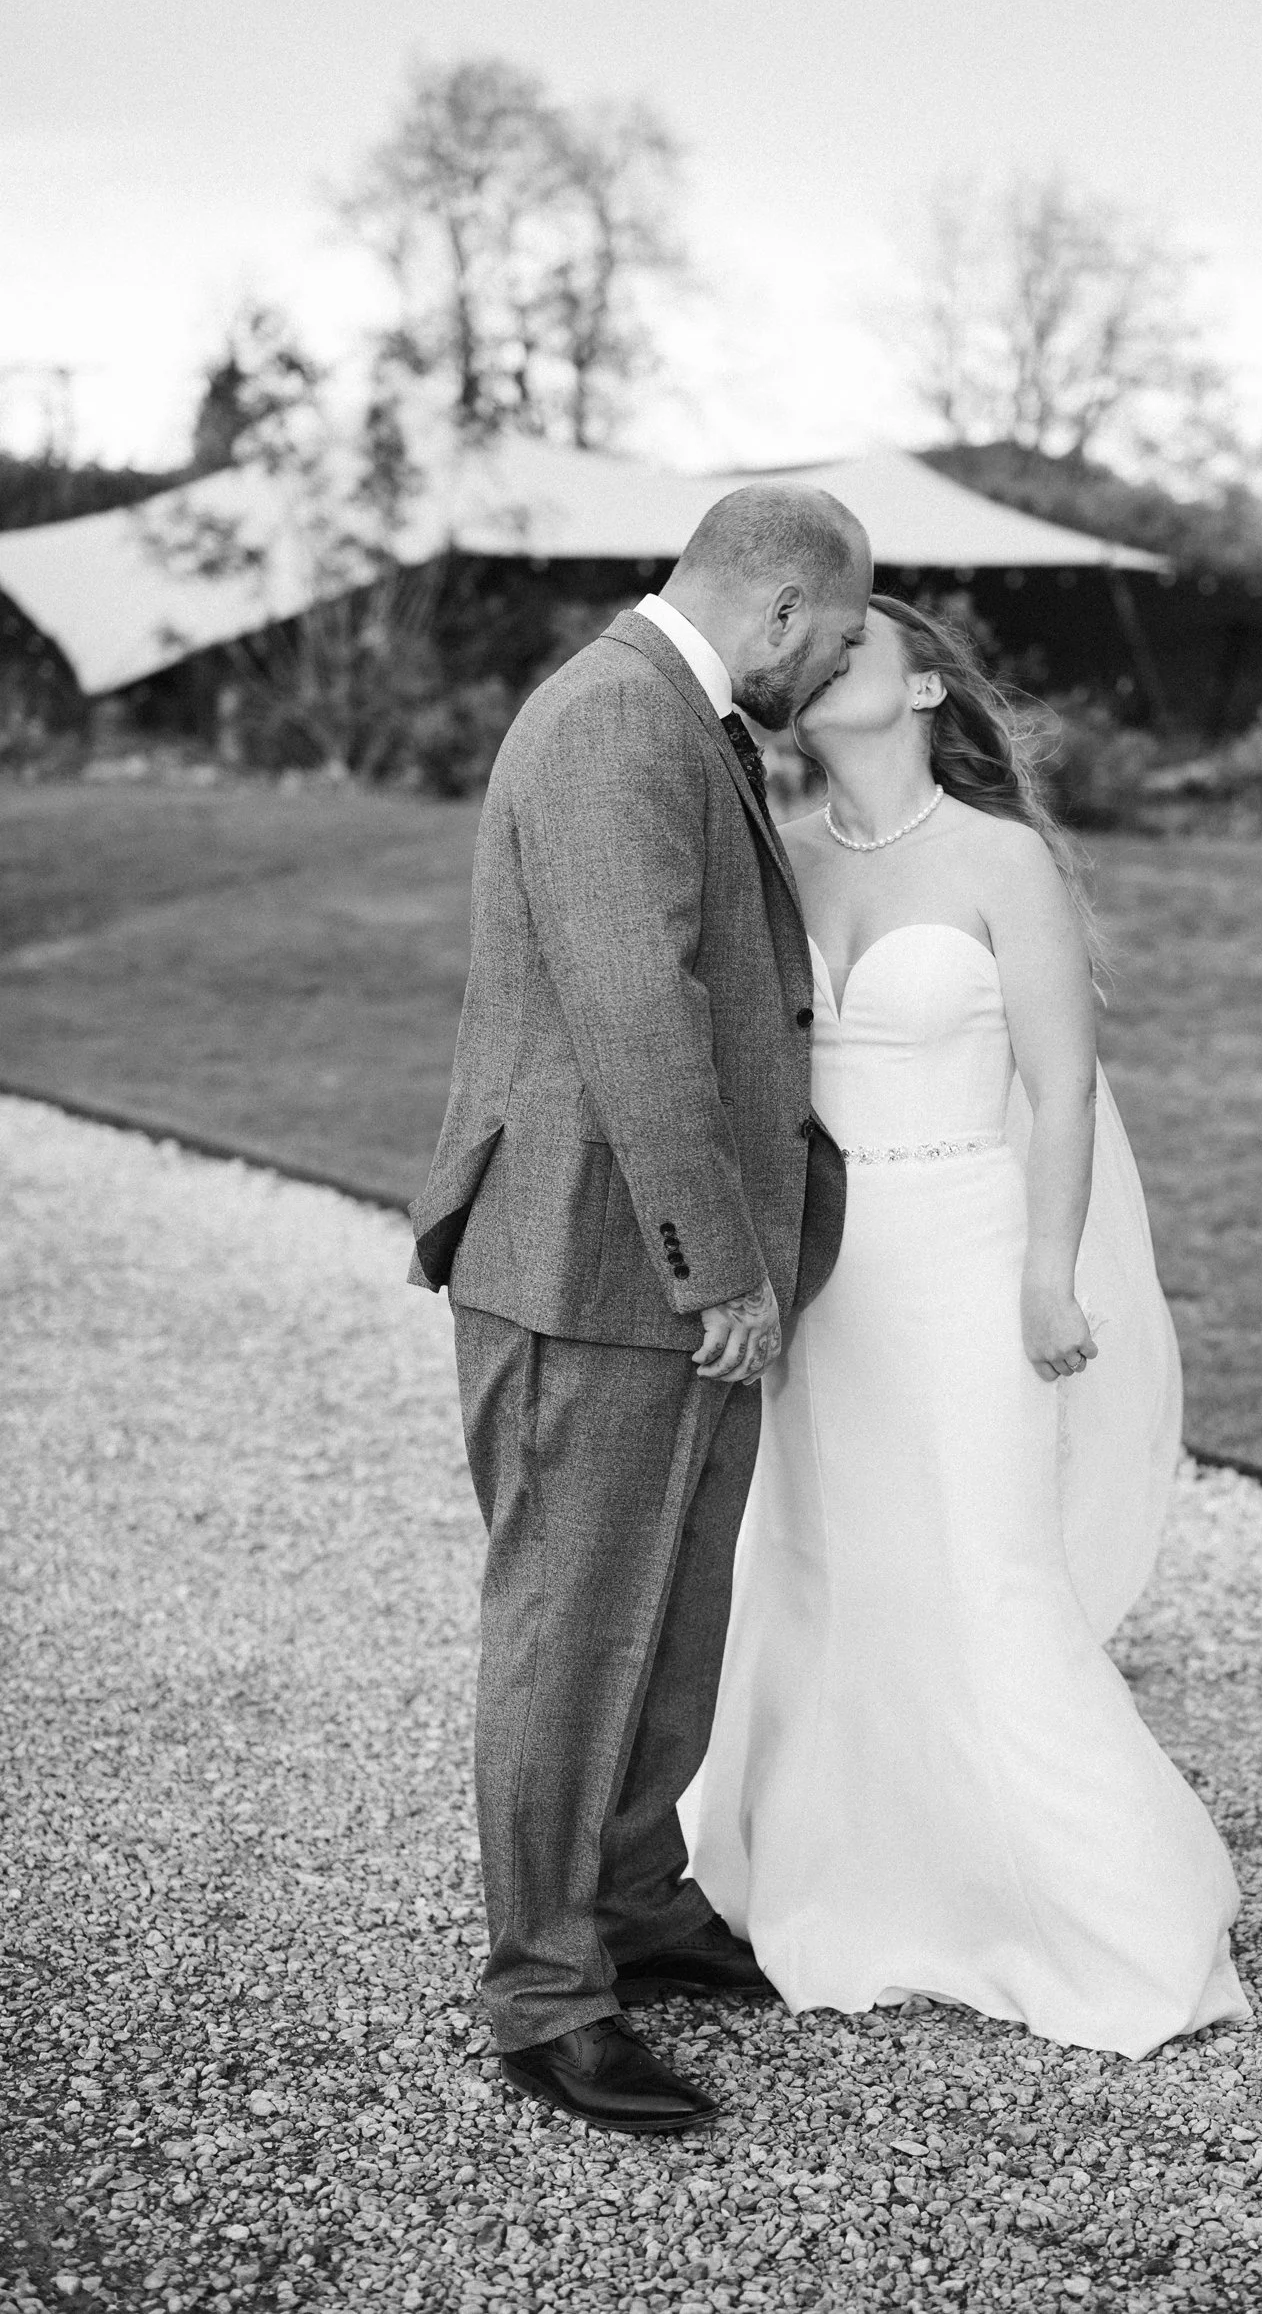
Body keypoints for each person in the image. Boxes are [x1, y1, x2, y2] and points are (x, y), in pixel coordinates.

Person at [684, 596, 1250, 2056]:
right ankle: (835, 1880)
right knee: (818, 1563)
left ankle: (1096, 1914)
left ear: (929, 687)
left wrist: (1052, 1276)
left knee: (986, 1565)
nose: (827, 659)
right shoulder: (784, 860)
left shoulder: (1003, 860)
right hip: (825, 1270)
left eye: (859, 640)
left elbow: (1061, 1089)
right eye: (808, 652)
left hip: (968, 1245)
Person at [408, 484, 872, 2133]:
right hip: (594, 1260)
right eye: (821, 649)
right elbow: (633, 1011)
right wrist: (723, 1261)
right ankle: (543, 1992)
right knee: (574, 1631)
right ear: (775, 608)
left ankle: (637, 1907)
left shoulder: (671, 711)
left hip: (654, 1269)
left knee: (672, 1615)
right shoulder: (615, 720)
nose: (817, 682)